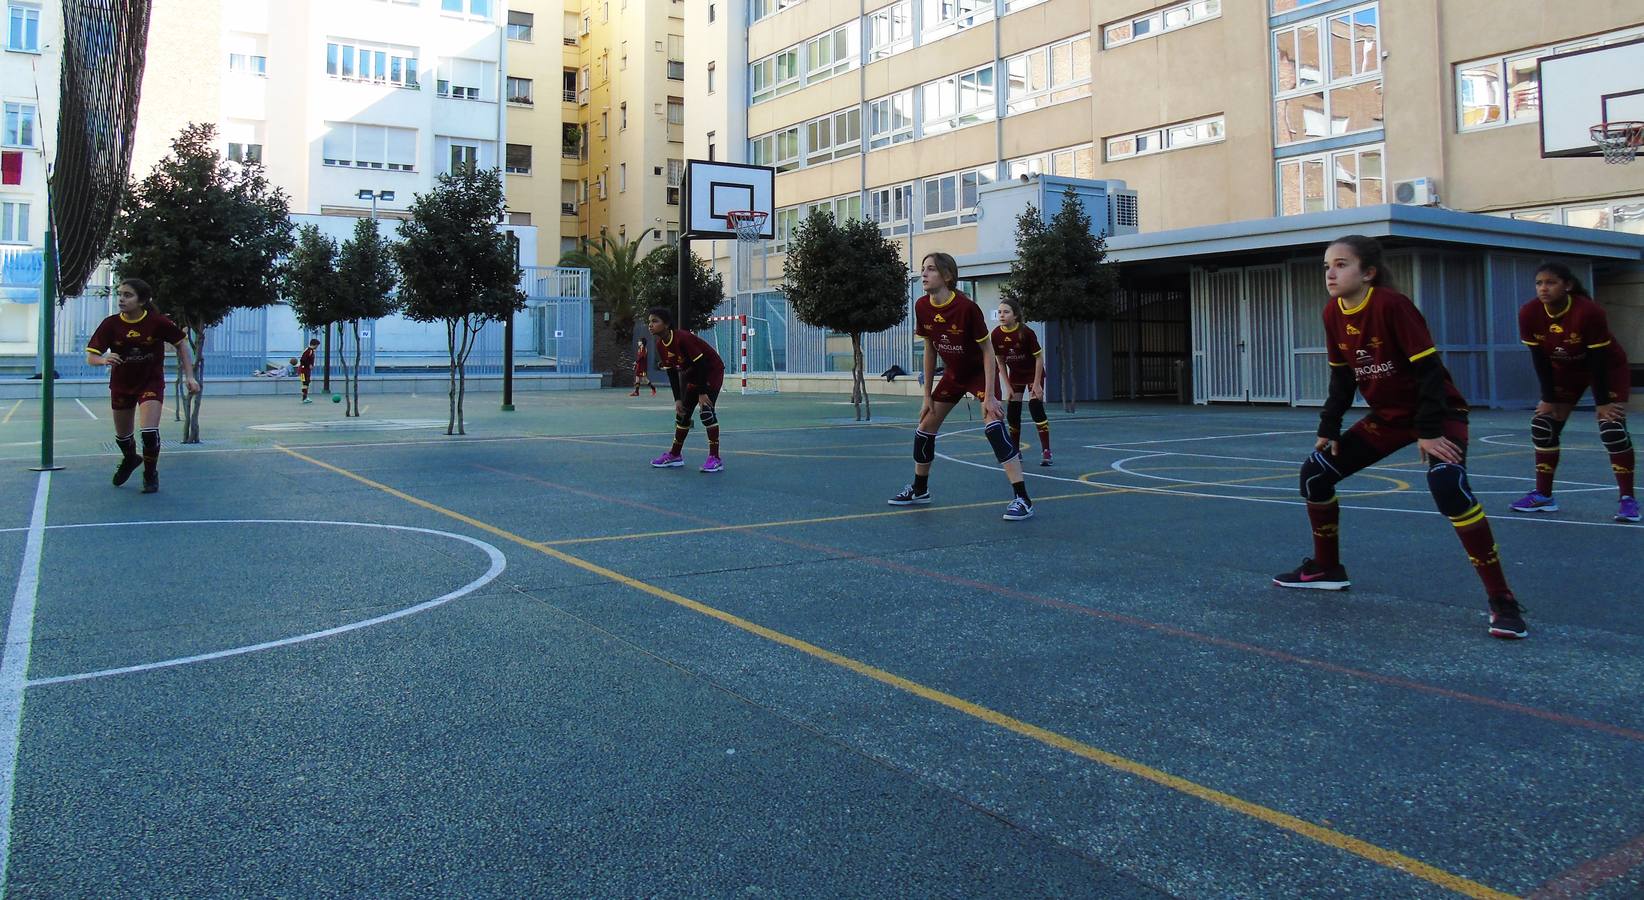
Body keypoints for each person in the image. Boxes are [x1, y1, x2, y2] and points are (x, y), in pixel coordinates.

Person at [1272, 235, 1526, 639]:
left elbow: (1428, 372)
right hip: (1389, 418)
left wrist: (1428, 432)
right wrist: (1328, 428)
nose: (1331, 273)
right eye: (1326, 266)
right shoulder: (1331, 314)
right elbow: (1342, 377)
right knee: (1315, 474)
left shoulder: (1392, 305)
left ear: (1368, 272)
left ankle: (1502, 600)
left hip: (1438, 412)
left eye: (1341, 264)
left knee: (1448, 486)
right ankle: (1326, 568)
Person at [889, 253, 1035, 521]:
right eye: (923, 269)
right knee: (924, 429)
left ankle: (1022, 498)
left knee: (993, 427)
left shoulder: (967, 308)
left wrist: (989, 396)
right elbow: (930, 349)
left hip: (979, 373)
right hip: (954, 375)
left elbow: (988, 351)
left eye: (930, 269)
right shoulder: (922, 306)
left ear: (947, 276)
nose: (924, 274)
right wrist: (927, 397)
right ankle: (920, 490)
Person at [1510, 263, 1635, 522]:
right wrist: (1548, 398)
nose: (1543, 288)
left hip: (1606, 367)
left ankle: (1627, 500)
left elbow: (1598, 359)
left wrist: (1602, 403)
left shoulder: (1589, 311)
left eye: (1550, 282)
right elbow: (1539, 359)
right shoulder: (1529, 312)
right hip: (1565, 369)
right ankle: (1543, 496)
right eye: (1539, 283)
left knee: (1612, 428)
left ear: (1567, 285)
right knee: (1543, 426)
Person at [84, 278, 200, 494]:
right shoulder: (110, 324)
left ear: (142, 300)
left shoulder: (157, 322)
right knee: (123, 436)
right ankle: (130, 459)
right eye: (120, 294)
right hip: (121, 384)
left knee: (148, 431)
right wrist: (104, 359)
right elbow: (91, 357)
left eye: (128, 295)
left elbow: (182, 343)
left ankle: (150, 474)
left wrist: (190, 376)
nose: (121, 299)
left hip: (150, 382)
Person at [646, 307, 726, 473]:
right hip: (694, 373)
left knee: (706, 412)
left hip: (711, 371)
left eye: (655, 321)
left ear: (667, 324)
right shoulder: (660, 344)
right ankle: (675, 455)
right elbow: (672, 373)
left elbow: (702, 364)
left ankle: (715, 458)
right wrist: (678, 399)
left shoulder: (683, 338)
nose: (650, 325)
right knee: (683, 414)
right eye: (649, 322)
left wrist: (702, 393)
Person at [992, 297, 1052, 467]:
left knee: (1035, 407)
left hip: (1034, 373)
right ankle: (1015, 451)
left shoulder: (1025, 332)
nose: (1002, 315)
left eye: (1006, 312)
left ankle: (1046, 451)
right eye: (1000, 312)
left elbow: (1039, 358)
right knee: (1013, 413)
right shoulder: (996, 334)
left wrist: (1037, 384)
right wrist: (1007, 385)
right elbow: (1000, 361)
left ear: (1015, 315)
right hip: (1016, 375)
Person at [298, 338, 320, 403]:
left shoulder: (310, 350)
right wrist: (309, 365)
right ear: (315, 345)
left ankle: (305, 397)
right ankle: (304, 398)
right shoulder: (309, 351)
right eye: (317, 345)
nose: (317, 347)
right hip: (303, 370)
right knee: (305, 383)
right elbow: (302, 360)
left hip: (305, 370)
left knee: (306, 383)